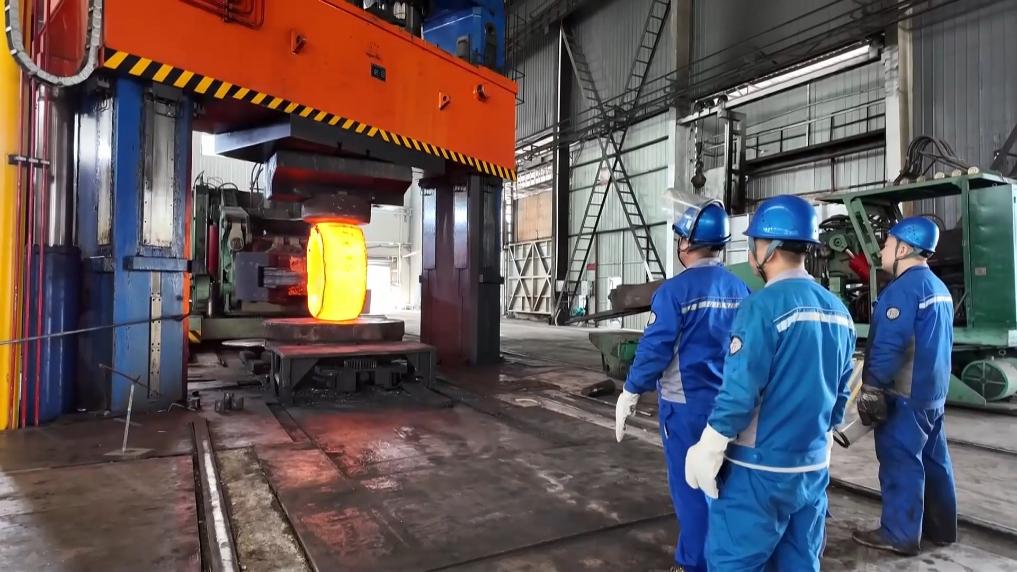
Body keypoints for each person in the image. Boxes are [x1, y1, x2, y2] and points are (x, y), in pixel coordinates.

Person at [684, 194, 857, 571]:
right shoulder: (839, 312)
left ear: (771, 248)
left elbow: (739, 392)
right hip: (811, 469)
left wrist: (710, 445)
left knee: (735, 561)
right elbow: (842, 391)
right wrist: (823, 438)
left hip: (757, 473)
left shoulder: (761, 308)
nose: (752, 251)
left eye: (755, 242)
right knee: (800, 562)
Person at [615, 199, 750, 572]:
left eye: (680, 238)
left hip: (686, 408)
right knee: (725, 485)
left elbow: (655, 348)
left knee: (690, 487)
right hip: (732, 407)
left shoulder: (673, 292)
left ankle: (694, 563)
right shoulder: (741, 289)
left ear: (688, 243)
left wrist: (631, 390)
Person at [852, 216, 957, 555]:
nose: (882, 250)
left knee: (900, 462)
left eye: (887, 243)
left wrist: (871, 389)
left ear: (904, 248)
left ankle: (899, 534)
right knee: (934, 461)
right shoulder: (938, 288)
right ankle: (941, 530)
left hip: (905, 396)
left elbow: (888, 346)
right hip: (932, 395)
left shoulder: (902, 291)